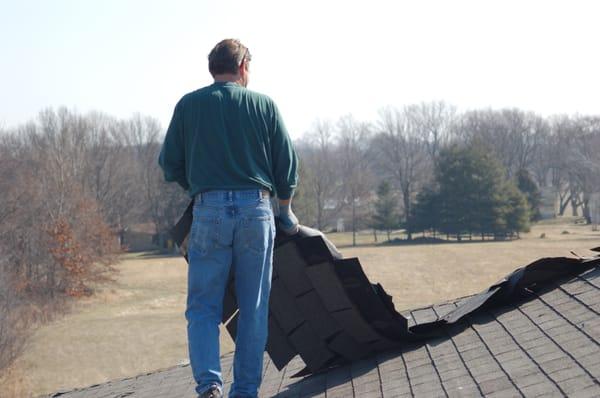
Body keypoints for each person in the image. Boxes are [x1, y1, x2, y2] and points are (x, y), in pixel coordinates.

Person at [158, 39, 300, 398]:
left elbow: (168, 164)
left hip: (209, 213)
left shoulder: (189, 105)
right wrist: (284, 213)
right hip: (256, 211)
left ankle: (209, 385)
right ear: (242, 67)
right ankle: (245, 392)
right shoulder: (264, 105)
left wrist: (200, 187)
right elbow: (286, 168)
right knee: (253, 308)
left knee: (203, 307)